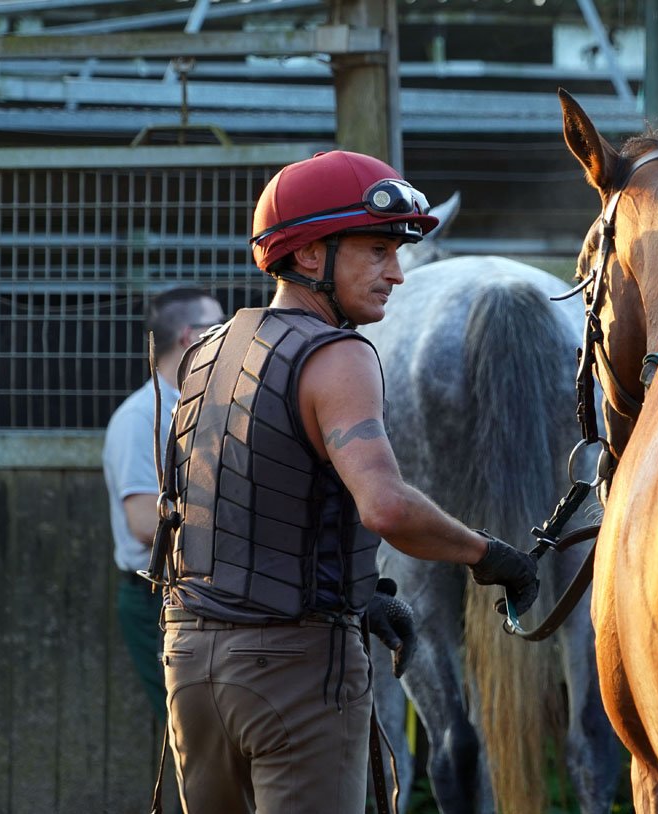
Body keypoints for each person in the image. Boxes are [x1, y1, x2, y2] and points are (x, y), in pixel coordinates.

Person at [154, 150, 540, 814]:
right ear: (310, 255)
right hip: (295, 673)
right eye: (376, 251)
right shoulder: (339, 355)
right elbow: (386, 508)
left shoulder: (207, 351)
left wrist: (358, 597)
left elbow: (227, 507)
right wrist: (490, 555)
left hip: (190, 666)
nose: (397, 273)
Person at [102, 286, 225, 724]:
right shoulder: (141, 417)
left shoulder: (204, 406)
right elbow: (142, 523)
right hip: (158, 597)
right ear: (191, 336)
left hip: (199, 592)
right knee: (192, 731)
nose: (227, 336)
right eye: (218, 326)